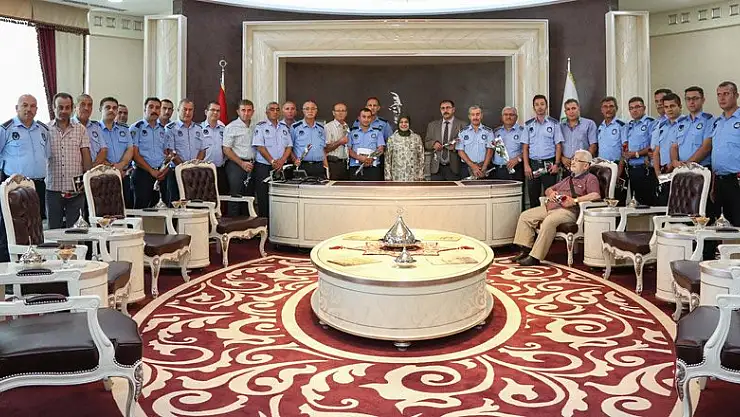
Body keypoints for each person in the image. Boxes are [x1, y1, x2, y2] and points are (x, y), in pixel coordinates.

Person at [513, 149, 602, 266]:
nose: (572, 162)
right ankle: (525, 250)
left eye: (577, 160)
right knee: (525, 216)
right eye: (573, 159)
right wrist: (551, 193)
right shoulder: (568, 178)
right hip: (550, 207)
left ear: (586, 165)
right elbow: (548, 189)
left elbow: (596, 195)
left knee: (549, 221)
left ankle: (535, 257)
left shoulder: (590, 178)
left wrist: (575, 200)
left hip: (567, 211)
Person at [46, 92, 92, 229]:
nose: (64, 111)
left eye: (67, 107)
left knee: (76, 229)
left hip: (75, 189)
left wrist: (87, 179)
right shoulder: (45, 130)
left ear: (72, 109)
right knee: (54, 229)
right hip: (53, 188)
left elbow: (86, 155)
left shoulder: (80, 129)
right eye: (60, 107)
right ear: (53, 108)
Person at [0, 94, 50, 219]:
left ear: (36, 110)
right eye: (25, 105)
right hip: (14, 186)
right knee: (12, 223)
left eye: (32, 106)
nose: (29, 109)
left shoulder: (43, 130)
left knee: (36, 223)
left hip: (38, 185)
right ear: (17, 108)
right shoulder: (6, 129)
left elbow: (47, 154)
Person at [252, 101, 292, 217]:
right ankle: (264, 225)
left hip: (280, 167)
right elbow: (260, 146)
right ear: (266, 112)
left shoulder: (284, 127)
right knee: (263, 197)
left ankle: (278, 225)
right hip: (264, 167)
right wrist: (272, 161)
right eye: (272, 109)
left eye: (277, 109)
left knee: (280, 197)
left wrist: (282, 160)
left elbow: (289, 146)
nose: (275, 112)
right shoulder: (261, 127)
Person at [522, 94, 563, 207]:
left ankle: (549, 217)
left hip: (549, 164)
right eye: (537, 105)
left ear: (546, 106)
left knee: (551, 196)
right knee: (533, 195)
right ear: (533, 107)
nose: (540, 107)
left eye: (542, 104)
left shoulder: (554, 123)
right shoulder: (528, 125)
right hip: (533, 164)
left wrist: (556, 164)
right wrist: (526, 166)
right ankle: (535, 217)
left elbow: (558, 145)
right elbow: (525, 147)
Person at [709, 81, 740, 225]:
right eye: (719, 95)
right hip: (719, 181)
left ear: (736, 95)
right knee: (721, 225)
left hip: (736, 180)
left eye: (726, 94)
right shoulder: (717, 122)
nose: (722, 98)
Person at [131, 97, 170, 208]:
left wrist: (165, 169)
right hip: (143, 173)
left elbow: (166, 153)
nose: (154, 110)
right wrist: (151, 170)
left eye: (157, 108)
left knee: (162, 208)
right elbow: (134, 154)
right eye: (151, 107)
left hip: (161, 174)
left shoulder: (163, 130)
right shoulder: (136, 128)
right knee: (141, 208)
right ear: (145, 109)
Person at [165, 98, 205, 203]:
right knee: (175, 204)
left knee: (194, 203)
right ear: (178, 110)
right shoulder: (170, 128)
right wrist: (184, 168)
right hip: (176, 172)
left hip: (195, 172)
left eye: (190, 110)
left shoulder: (199, 128)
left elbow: (202, 150)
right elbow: (171, 152)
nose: (187, 112)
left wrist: (194, 166)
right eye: (185, 109)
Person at [98, 97, 134, 208]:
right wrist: (113, 169)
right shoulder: (95, 129)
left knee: (126, 208)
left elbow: (130, 149)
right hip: (103, 176)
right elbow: (95, 153)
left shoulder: (124, 129)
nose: (111, 110)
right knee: (105, 209)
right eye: (108, 107)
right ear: (100, 109)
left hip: (123, 175)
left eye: (114, 108)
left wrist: (121, 165)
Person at [652, 93, 687, 206]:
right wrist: (658, 173)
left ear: (680, 106)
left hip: (680, 171)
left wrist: (673, 164)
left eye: (672, 106)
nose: (669, 109)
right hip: (664, 173)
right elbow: (656, 151)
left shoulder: (686, 124)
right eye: (666, 107)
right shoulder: (662, 126)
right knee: (664, 206)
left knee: (680, 207)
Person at [223, 99, 256, 216]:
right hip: (236, 165)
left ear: (253, 112)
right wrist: (242, 163)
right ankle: (233, 224)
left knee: (249, 197)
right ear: (238, 111)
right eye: (243, 110)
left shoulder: (255, 126)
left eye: (249, 110)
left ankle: (247, 224)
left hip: (252, 165)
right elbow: (226, 149)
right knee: (236, 196)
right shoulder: (231, 127)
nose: (246, 113)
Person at [622, 97, 656, 206]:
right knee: (634, 203)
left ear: (644, 108)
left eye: (637, 107)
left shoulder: (651, 123)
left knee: (646, 204)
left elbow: (653, 145)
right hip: (631, 169)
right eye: (631, 108)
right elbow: (625, 145)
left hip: (645, 169)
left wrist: (636, 154)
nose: (634, 110)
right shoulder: (629, 126)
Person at [671, 86, 713, 169]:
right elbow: (674, 146)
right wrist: (674, 161)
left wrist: (687, 165)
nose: (691, 102)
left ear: (703, 100)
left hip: (700, 168)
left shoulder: (709, 120)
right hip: (681, 168)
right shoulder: (681, 122)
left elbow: (706, 147)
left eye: (695, 98)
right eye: (688, 99)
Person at [493, 106, 526, 208]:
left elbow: (527, 150)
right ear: (502, 117)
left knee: (516, 199)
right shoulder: (495, 132)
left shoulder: (522, 131)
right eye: (506, 115)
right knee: (499, 200)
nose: (508, 117)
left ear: (516, 117)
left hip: (516, 169)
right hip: (499, 170)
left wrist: (517, 159)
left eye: (511, 115)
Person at [425, 99, 465, 181]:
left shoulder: (463, 125)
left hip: (454, 168)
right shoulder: (432, 125)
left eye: (448, 108)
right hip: (436, 168)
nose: (445, 110)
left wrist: (456, 146)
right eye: (443, 108)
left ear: (453, 109)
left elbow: (467, 145)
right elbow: (426, 143)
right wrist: (433, 144)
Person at [596, 96, 627, 204]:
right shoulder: (600, 127)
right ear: (601, 110)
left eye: (611, 106)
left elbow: (625, 150)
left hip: (617, 166)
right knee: (603, 199)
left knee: (617, 200)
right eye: (605, 107)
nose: (608, 109)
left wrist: (619, 170)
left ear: (616, 108)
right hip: (603, 167)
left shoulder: (622, 125)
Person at [291, 100, 328, 178]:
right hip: (302, 165)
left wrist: (326, 167)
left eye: (313, 109)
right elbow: (289, 148)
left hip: (318, 166)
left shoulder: (321, 128)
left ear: (316, 111)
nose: (310, 111)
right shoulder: (295, 127)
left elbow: (322, 149)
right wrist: (294, 160)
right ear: (303, 111)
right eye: (307, 109)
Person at [560, 98, 597, 175]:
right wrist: (562, 158)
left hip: (583, 167)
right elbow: (557, 146)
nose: (571, 111)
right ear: (565, 112)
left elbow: (593, 146)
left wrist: (583, 161)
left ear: (579, 109)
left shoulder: (589, 124)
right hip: (566, 167)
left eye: (573, 108)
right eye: (568, 109)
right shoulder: (560, 127)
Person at [456, 105, 494, 179]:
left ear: (481, 116)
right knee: (466, 187)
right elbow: (460, 151)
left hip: (483, 167)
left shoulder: (488, 132)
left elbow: (490, 150)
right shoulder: (462, 132)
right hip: (467, 167)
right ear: (469, 116)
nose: (475, 117)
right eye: (473, 115)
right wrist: (473, 166)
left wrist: (484, 167)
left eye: (477, 114)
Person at [348, 107, 386, 181]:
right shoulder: (352, 132)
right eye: (364, 117)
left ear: (371, 118)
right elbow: (348, 150)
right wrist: (359, 158)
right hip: (355, 167)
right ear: (359, 118)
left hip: (372, 167)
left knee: (373, 188)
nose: (366, 119)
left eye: (368, 117)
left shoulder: (378, 132)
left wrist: (371, 159)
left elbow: (381, 149)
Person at [384, 115, 424, 181]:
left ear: (409, 123)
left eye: (406, 122)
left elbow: (421, 157)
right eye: (401, 122)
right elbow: (387, 159)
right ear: (398, 124)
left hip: (413, 176)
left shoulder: (416, 138)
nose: (404, 124)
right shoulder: (392, 139)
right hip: (397, 176)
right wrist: (388, 176)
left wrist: (420, 174)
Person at [201, 101, 228, 195]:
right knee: (205, 196)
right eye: (212, 110)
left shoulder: (224, 129)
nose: (215, 113)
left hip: (220, 169)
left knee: (221, 196)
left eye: (218, 111)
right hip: (204, 169)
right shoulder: (198, 129)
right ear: (206, 112)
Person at [324, 102, 350, 180]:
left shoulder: (346, 126)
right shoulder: (328, 127)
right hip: (333, 164)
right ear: (333, 113)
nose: (340, 113)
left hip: (345, 164)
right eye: (338, 111)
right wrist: (340, 142)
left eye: (343, 111)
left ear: (346, 113)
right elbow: (326, 148)